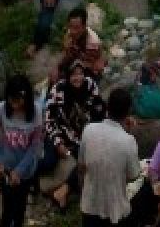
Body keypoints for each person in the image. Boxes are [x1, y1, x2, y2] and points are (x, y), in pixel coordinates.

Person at [42, 59, 106, 209]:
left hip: (83, 135)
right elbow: (49, 119)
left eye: (81, 73)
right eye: (74, 74)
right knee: (48, 162)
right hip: (61, 132)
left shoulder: (90, 85)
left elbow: (100, 109)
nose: (78, 78)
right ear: (67, 76)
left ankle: (63, 191)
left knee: (92, 162)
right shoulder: (58, 89)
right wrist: (58, 142)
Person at [0, 75, 44, 227]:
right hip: (6, 167)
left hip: (26, 170)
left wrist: (19, 171)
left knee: (20, 209)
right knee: (7, 207)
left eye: (18, 100)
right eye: (11, 100)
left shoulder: (36, 112)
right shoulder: (1, 109)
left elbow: (35, 145)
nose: (14, 105)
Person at [78, 87, 141, 227]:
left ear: (107, 107)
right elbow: (133, 176)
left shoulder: (89, 130)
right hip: (115, 208)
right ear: (128, 112)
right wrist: (129, 134)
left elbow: (81, 166)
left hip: (90, 203)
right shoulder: (128, 141)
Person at [60, 6, 105, 79]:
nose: (72, 31)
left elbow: (91, 64)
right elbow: (66, 52)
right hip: (77, 59)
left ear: (84, 27)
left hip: (90, 68)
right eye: (70, 26)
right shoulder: (69, 33)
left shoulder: (93, 43)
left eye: (76, 28)